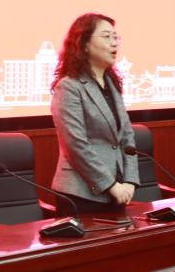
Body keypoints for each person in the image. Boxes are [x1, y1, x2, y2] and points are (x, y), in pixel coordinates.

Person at [49, 13, 139, 215]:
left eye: (116, 37)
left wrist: (130, 180)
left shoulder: (111, 84)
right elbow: (75, 144)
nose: (114, 43)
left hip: (119, 189)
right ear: (84, 44)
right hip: (81, 193)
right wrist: (110, 185)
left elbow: (127, 137)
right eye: (106, 37)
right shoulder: (69, 86)